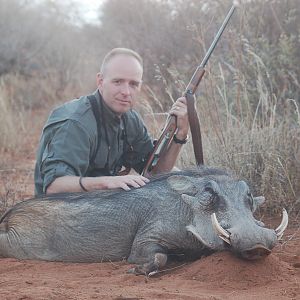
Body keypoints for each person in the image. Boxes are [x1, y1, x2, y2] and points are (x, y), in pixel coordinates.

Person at [34, 48, 189, 196]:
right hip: (58, 214)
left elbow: (155, 174)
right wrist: (107, 183)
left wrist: (180, 136)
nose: (126, 92)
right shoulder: (76, 123)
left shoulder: (130, 119)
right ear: (100, 81)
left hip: (99, 204)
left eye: (133, 84)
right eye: (118, 82)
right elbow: (54, 188)